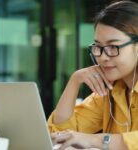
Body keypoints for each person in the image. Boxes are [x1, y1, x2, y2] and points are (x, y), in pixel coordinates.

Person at [48, 1, 138, 150]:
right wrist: (75, 81)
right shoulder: (109, 91)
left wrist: (96, 140)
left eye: (113, 46)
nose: (103, 57)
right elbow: (57, 135)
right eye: (98, 47)